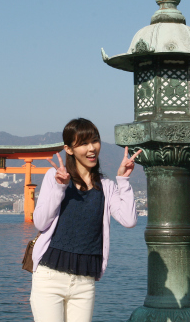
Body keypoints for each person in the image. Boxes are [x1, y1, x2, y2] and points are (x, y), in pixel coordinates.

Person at [29, 118, 142, 322]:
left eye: (95, 141)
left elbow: (129, 220)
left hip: (84, 282)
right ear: (69, 149)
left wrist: (123, 180)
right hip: (49, 279)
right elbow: (40, 222)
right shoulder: (54, 177)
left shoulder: (105, 187)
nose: (91, 149)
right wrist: (59, 187)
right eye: (83, 143)